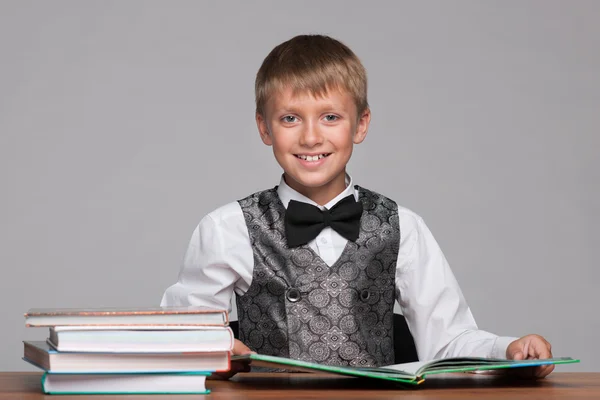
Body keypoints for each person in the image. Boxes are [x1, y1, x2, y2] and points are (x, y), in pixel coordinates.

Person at [161, 34, 554, 378]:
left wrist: (508, 350)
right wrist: (215, 346)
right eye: (290, 118)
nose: (311, 137)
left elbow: (448, 338)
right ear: (265, 128)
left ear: (361, 124)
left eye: (330, 117)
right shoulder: (226, 227)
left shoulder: (402, 225)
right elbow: (181, 332)